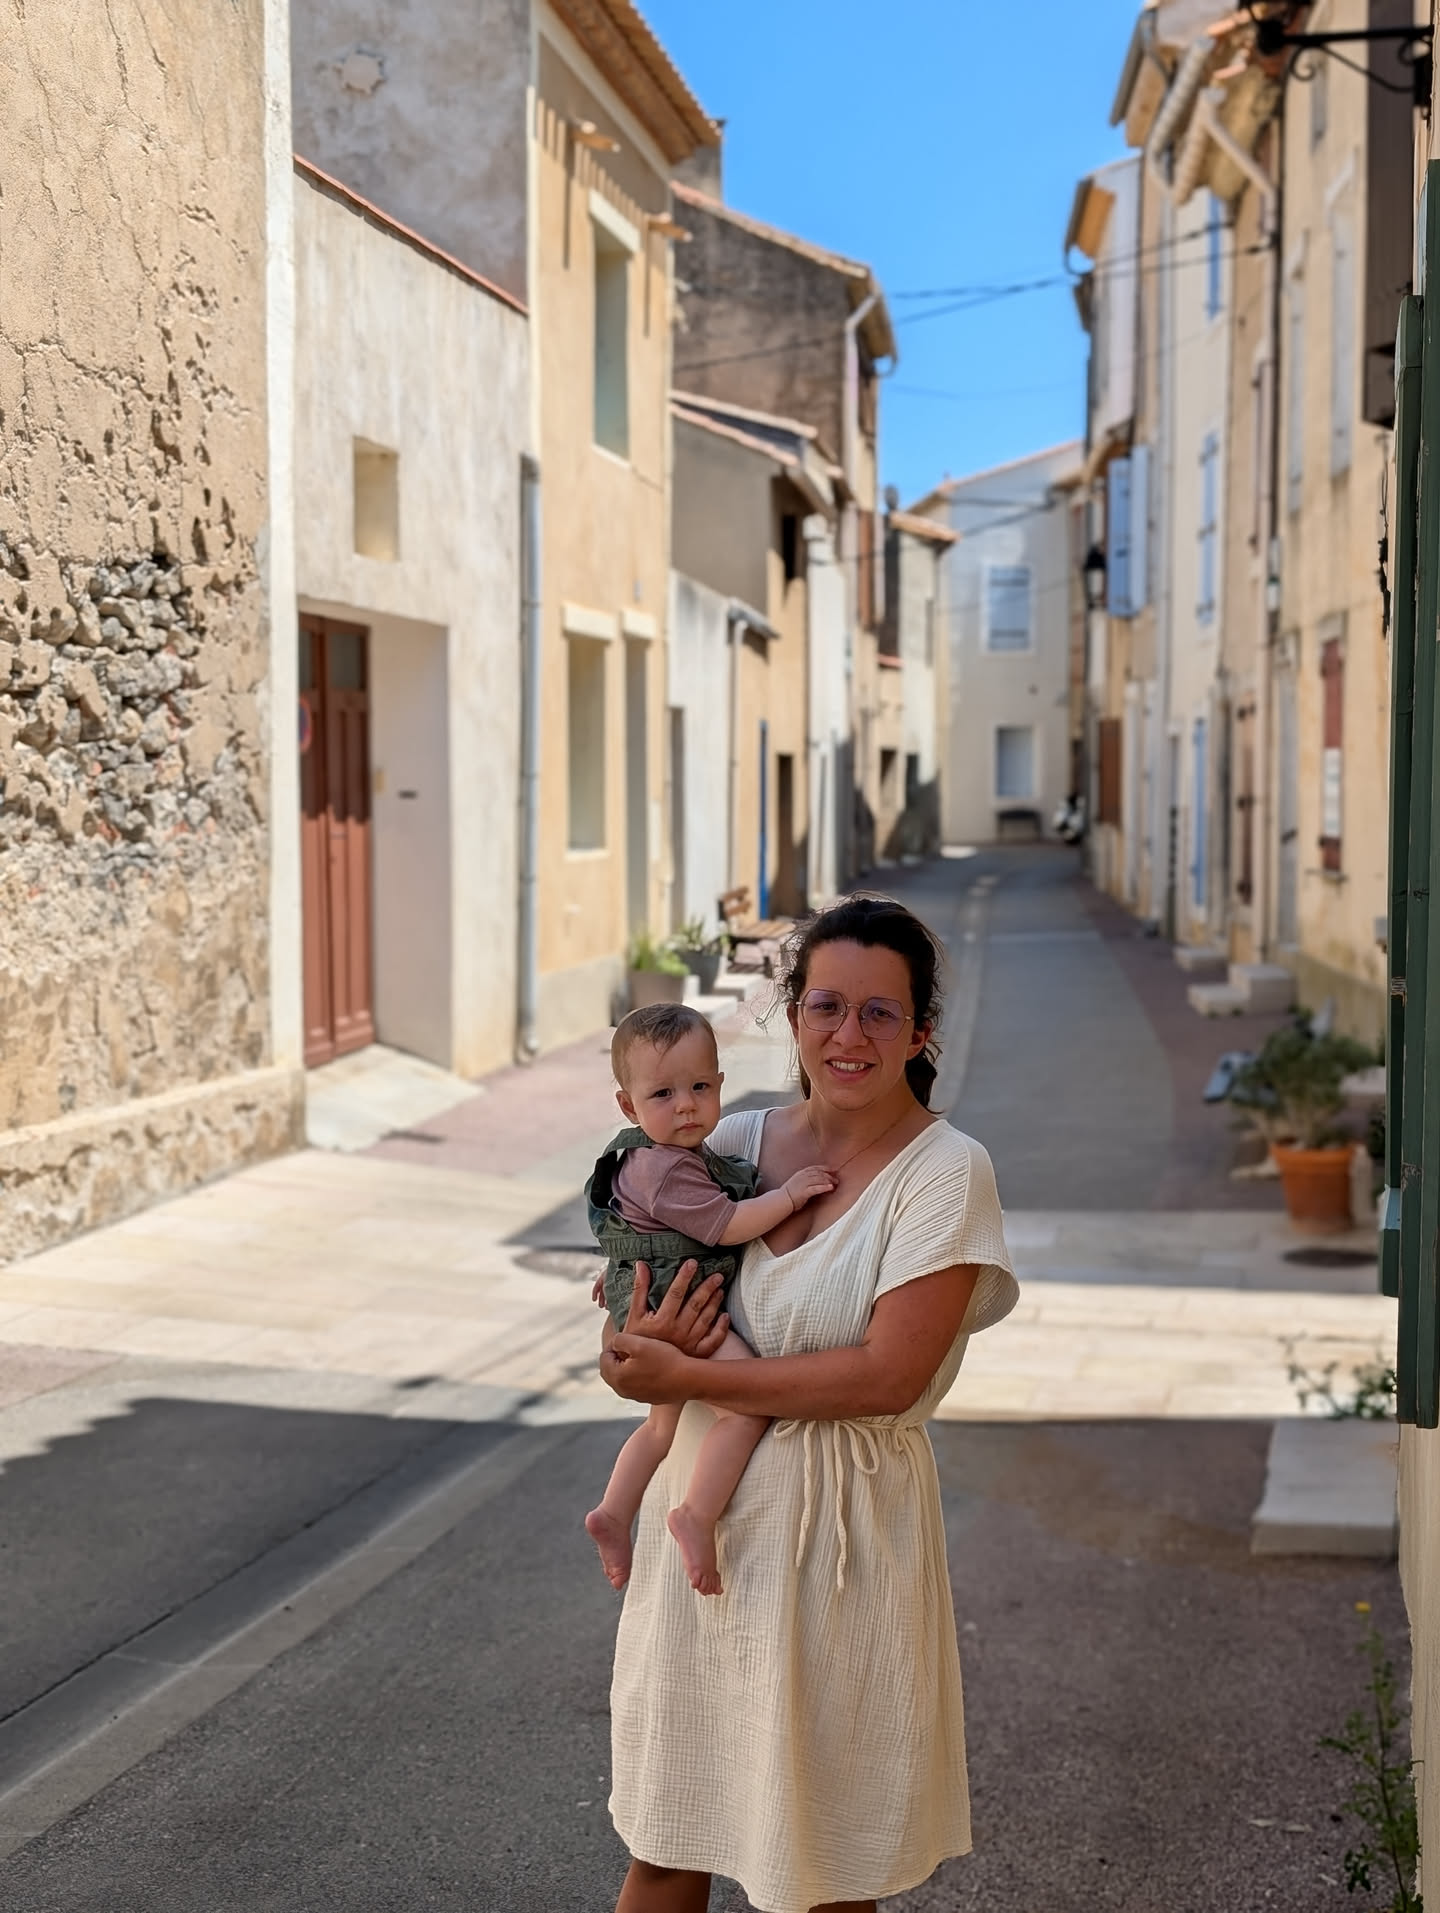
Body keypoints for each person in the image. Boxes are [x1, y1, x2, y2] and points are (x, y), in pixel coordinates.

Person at [598, 895, 1018, 1913]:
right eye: (827, 1004)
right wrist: (635, 1361)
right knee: (668, 1839)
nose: (848, 1033)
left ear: (921, 1031)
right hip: (699, 1543)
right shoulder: (726, 1141)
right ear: (793, 1016)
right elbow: (633, 1330)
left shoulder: (945, 1172)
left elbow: (884, 1376)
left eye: (881, 1011)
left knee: (825, 1871)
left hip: (845, 1548)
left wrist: (686, 1376)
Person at [584, 1004, 837, 1595]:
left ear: (720, 1084)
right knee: (745, 1408)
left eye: (700, 1087)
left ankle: (614, 1513)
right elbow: (727, 1226)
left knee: (659, 1429)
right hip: (680, 1310)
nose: (686, 1106)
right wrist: (790, 1195)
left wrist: (615, 1271)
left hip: (653, 1302)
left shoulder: (655, 1158)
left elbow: (639, 1229)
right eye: (663, 1094)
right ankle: (696, 1514)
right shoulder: (666, 1170)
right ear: (628, 1107)